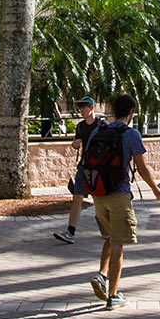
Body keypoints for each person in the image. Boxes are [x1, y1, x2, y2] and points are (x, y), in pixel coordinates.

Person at [82, 93, 160, 307]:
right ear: (131, 112)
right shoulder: (131, 134)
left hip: (98, 194)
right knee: (118, 243)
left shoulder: (98, 132)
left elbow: (86, 161)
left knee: (110, 237)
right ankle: (113, 295)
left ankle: (101, 275)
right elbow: (143, 167)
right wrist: (155, 189)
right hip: (119, 193)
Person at [54, 97, 99, 245]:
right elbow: (74, 145)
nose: (81, 110)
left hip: (98, 168)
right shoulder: (80, 126)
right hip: (83, 166)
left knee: (101, 201)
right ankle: (70, 231)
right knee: (77, 198)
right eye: (80, 108)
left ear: (92, 108)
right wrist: (75, 143)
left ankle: (108, 230)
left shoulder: (101, 125)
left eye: (84, 107)